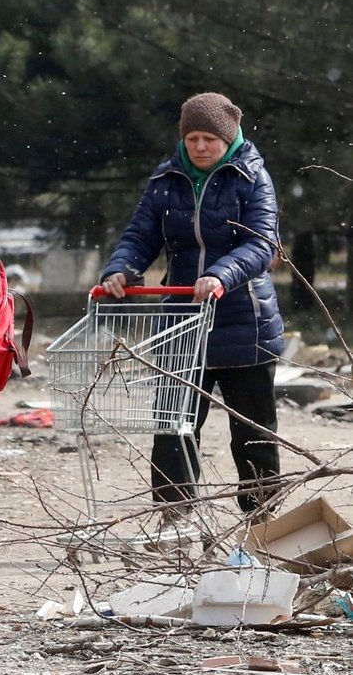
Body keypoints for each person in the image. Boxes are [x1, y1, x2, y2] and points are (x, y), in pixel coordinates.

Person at [101, 92, 284, 516]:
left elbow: (261, 244)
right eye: (192, 138)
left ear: (230, 136)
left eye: (209, 138)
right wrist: (119, 269)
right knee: (173, 428)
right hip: (181, 322)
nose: (200, 146)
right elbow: (140, 235)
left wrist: (222, 274)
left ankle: (261, 517)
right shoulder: (165, 180)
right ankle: (174, 517)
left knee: (253, 432)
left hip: (245, 324)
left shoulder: (252, 177)